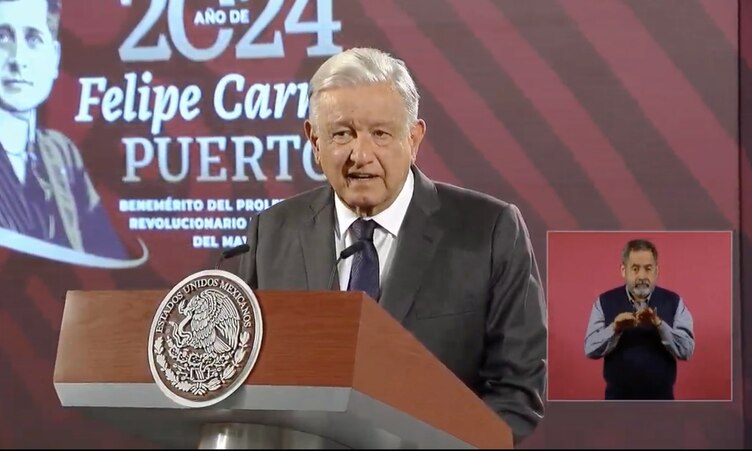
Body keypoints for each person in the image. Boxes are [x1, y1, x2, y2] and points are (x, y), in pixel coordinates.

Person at [238, 47, 547, 443]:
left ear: (414, 138)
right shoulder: (272, 232)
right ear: (314, 140)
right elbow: (244, 376)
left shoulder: (488, 230)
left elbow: (516, 390)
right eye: (342, 134)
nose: (360, 155)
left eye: (380, 133)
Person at [0, 0, 127, 260]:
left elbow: (110, 263)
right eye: (2, 37)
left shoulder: (62, 153)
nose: (18, 59)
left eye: (33, 39)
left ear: (54, 58)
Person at [584, 239, 695, 400]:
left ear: (656, 271)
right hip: (617, 403)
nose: (642, 276)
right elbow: (590, 349)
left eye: (648, 269)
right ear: (623, 270)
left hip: (662, 403)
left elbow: (687, 350)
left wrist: (659, 324)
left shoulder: (674, 302)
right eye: (635, 269)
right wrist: (615, 328)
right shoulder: (603, 302)